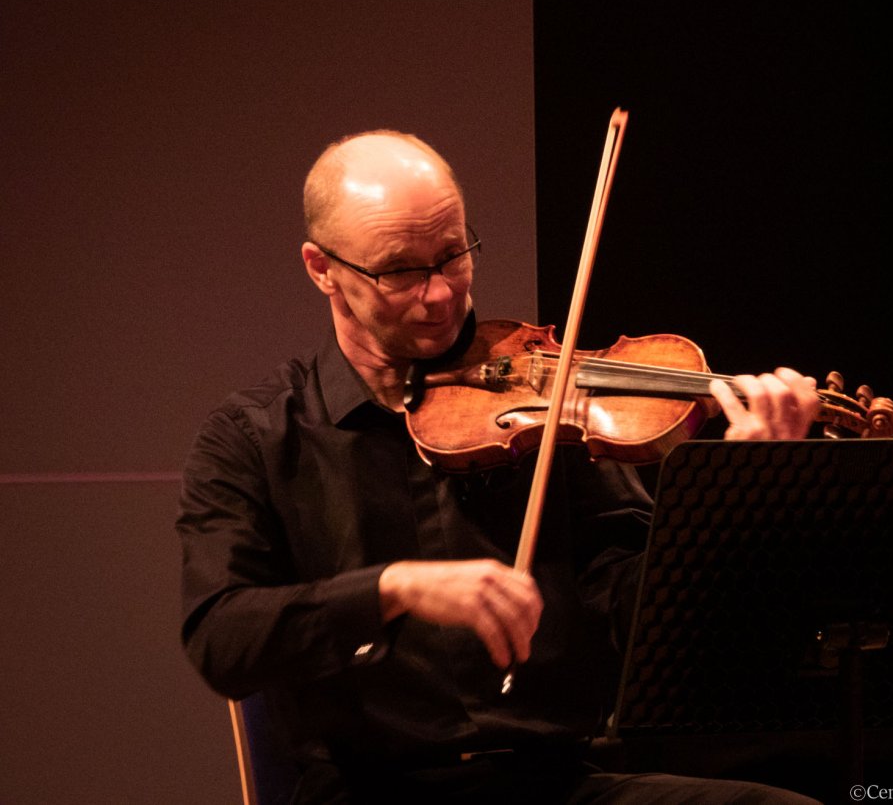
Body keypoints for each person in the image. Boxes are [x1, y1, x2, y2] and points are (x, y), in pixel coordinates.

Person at [178, 130, 825, 804]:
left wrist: (728, 501)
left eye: (453, 254)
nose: (439, 294)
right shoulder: (255, 435)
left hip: (554, 781)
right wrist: (392, 589)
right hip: (371, 789)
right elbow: (223, 635)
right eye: (399, 270)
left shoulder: (548, 391)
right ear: (321, 268)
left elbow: (640, 619)